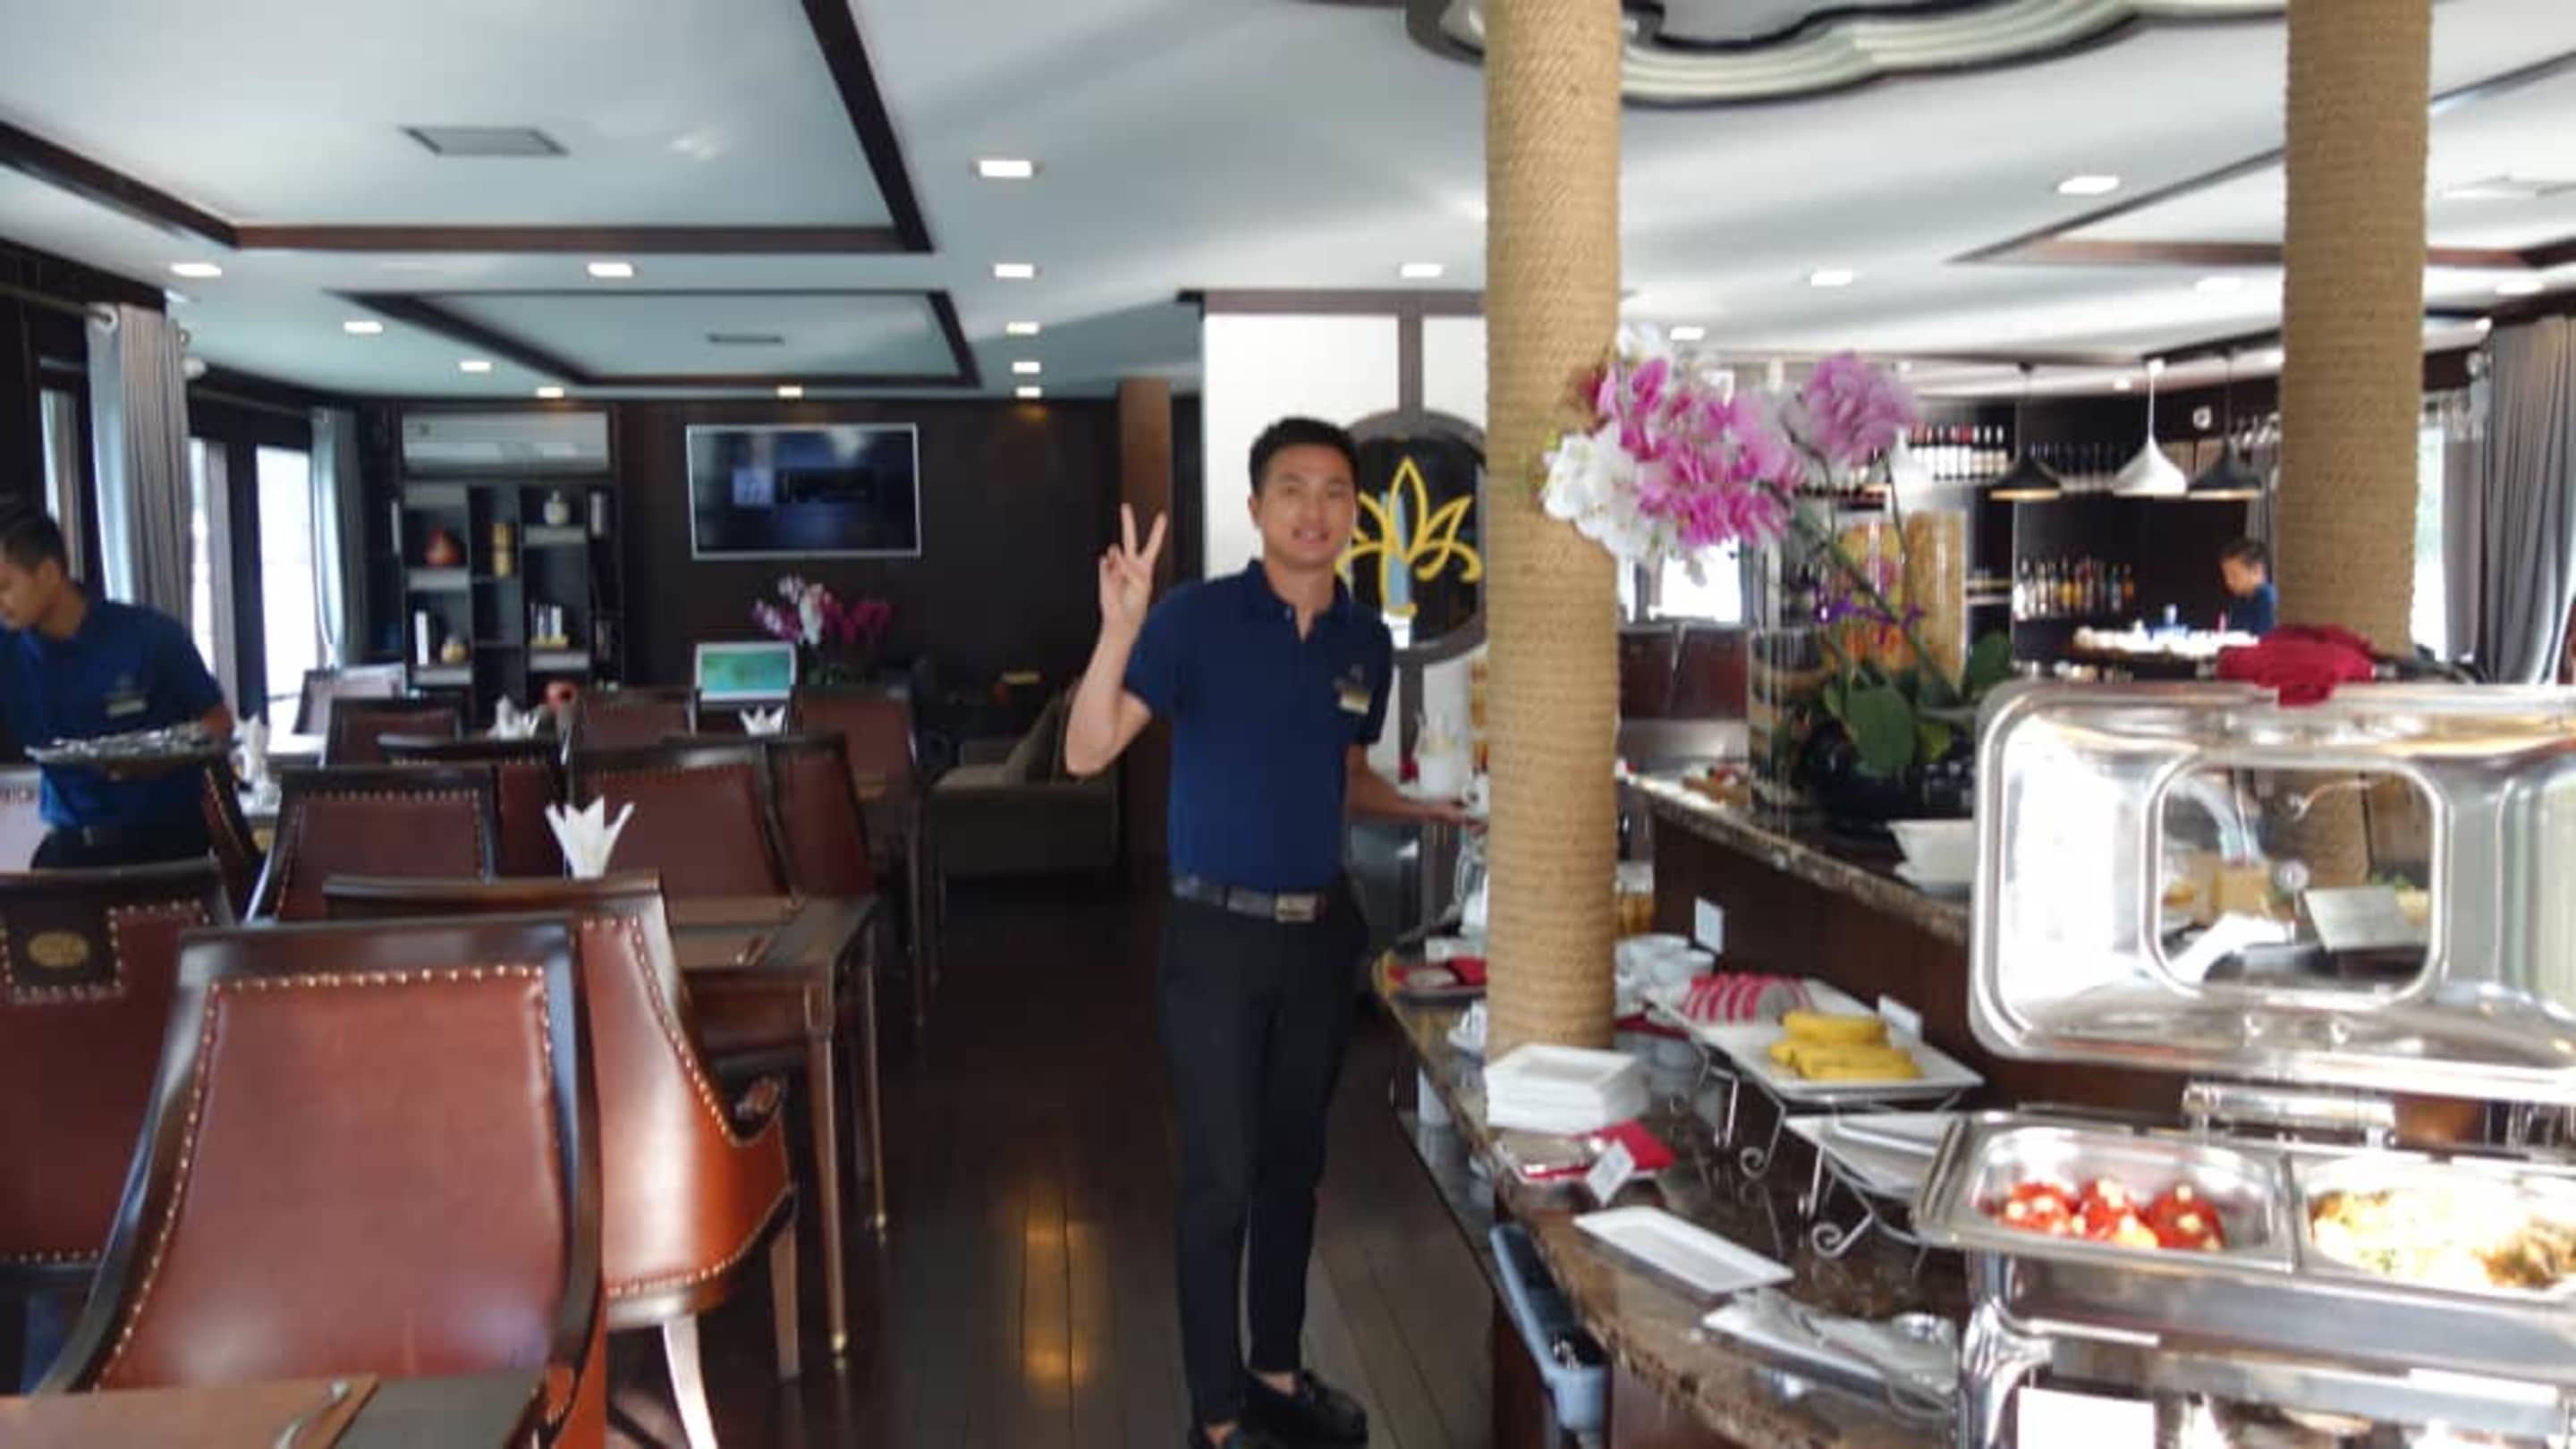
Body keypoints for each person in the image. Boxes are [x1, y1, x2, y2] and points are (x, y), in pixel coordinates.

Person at [1065, 417, 1462, 1449]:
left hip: (1320, 939)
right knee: (1222, 1178)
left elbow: (1344, 773)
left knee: (1295, 1167)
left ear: (1355, 513)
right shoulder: (1192, 621)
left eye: (1335, 492)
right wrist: (1118, 630)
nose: (1313, 511)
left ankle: (1276, 1375)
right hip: (1215, 940)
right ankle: (1218, 1416)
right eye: (1292, 489)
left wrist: (1427, 808)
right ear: (1256, 507)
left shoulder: (1364, 641)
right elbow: (1086, 751)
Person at [0, 502, 233, 869]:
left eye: (4, 586)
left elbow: (218, 723)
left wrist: (159, 761)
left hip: (167, 845)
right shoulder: (9, 652)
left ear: (48, 573)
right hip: (70, 846)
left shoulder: (150, 636)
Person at [2219, 537, 2278, 638]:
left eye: (2234, 576)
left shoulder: (2267, 599)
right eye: (2226, 576)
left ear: (2257, 570)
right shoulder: (2240, 598)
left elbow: (2264, 637)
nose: (2228, 581)